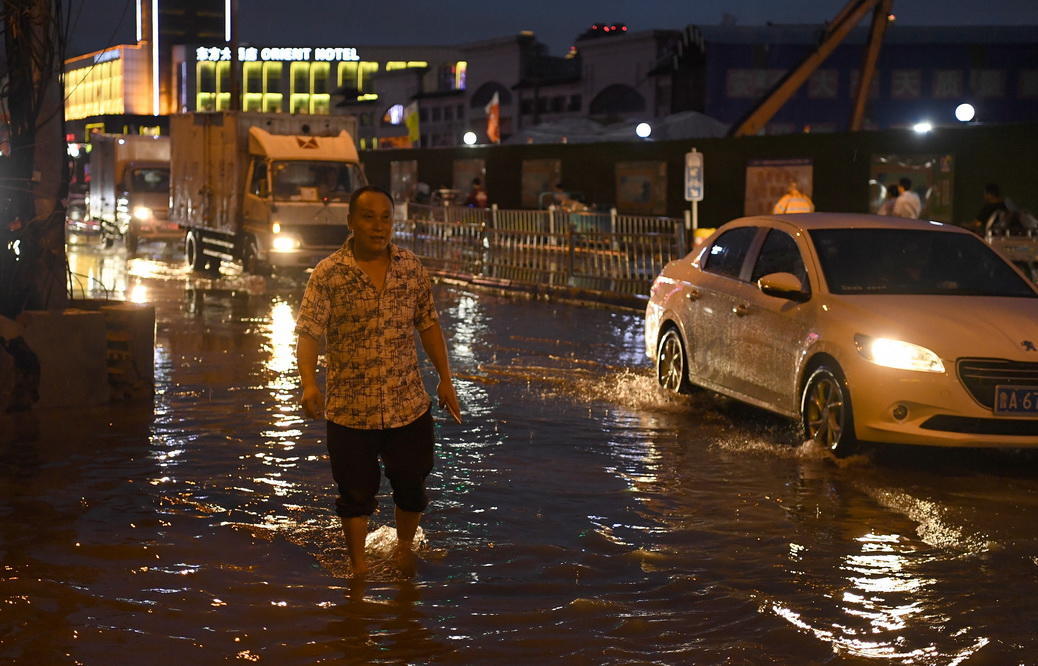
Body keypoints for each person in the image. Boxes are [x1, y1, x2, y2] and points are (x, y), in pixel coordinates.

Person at [295, 185, 462, 577]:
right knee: (354, 494)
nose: (378, 226)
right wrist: (309, 383)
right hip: (351, 410)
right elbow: (309, 332)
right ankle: (358, 572)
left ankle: (404, 551)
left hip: (408, 403)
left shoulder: (411, 268)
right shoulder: (329, 274)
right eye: (368, 217)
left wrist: (445, 379)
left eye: (385, 217)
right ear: (351, 222)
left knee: (412, 485)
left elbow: (429, 324)